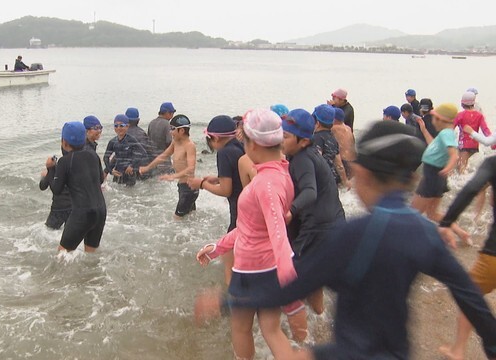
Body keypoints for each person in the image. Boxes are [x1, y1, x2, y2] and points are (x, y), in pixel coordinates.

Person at [198, 120, 496, 360]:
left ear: (362, 172)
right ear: (409, 178)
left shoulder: (351, 235)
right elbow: (469, 295)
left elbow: (293, 287)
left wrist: (225, 303)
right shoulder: (423, 233)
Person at [196, 108, 300, 360]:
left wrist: (294, 302)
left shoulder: (264, 184)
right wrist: (218, 247)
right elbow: (255, 226)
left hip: (252, 269)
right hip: (268, 266)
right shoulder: (282, 173)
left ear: (252, 143)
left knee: (241, 330)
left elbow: (279, 236)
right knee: (272, 330)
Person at [281, 108, 346, 342]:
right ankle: (320, 319)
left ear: (303, 140)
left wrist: (290, 212)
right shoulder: (309, 153)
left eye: (286, 136)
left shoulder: (301, 159)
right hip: (334, 222)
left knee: (292, 275)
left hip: (317, 228)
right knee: (313, 275)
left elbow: (310, 191)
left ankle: (303, 339)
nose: (281, 139)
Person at [438, 154, 496, 360]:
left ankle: (458, 350)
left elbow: (472, 189)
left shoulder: (493, 163)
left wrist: (446, 222)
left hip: (493, 257)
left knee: (469, 296)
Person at [187, 115, 245, 285]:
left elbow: (227, 190)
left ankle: (232, 299)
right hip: (248, 208)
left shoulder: (224, 153)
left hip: (238, 211)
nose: (210, 143)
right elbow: (236, 176)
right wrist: (217, 178)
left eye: (210, 139)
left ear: (217, 138)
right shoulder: (239, 147)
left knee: (230, 257)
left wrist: (202, 184)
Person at [412, 103, 469, 244]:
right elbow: (433, 146)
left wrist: (448, 168)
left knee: (413, 213)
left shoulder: (446, 133)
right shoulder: (444, 134)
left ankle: (415, 240)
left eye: (435, 118)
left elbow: (454, 154)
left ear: (443, 120)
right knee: (432, 213)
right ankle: (462, 234)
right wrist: (424, 129)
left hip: (433, 175)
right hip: (434, 176)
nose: (432, 121)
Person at [49, 122, 106, 253]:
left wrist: (51, 169)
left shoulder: (64, 162)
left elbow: (56, 190)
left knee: (62, 256)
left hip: (82, 213)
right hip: (101, 211)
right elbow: (100, 179)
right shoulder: (93, 155)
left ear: (64, 142)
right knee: (90, 256)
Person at [140, 114, 198, 218]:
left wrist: (173, 176)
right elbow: (163, 156)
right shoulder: (175, 142)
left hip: (189, 189)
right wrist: (147, 168)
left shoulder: (190, 146)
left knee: (177, 219)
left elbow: (191, 168)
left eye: (172, 129)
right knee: (189, 218)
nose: (170, 132)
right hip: (182, 187)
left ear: (181, 131)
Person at [312, 104, 350, 190]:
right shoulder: (333, 139)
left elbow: (317, 162)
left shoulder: (316, 138)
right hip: (333, 179)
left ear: (317, 123)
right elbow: (339, 165)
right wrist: (345, 181)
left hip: (321, 181)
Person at [103, 114, 148, 187]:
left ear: (127, 126)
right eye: (116, 126)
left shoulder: (131, 140)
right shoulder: (112, 142)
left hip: (129, 174)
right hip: (118, 174)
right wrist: (110, 170)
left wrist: (132, 166)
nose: (118, 128)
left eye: (121, 125)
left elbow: (143, 153)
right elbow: (105, 157)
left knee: (130, 196)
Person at [454, 91, 493, 174]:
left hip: (463, 145)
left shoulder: (460, 115)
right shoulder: (479, 115)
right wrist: (492, 140)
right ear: (473, 103)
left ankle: (461, 185)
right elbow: (485, 130)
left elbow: (451, 128)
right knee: (469, 167)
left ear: (462, 103)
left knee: (461, 168)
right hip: (475, 145)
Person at [39, 151, 72, 230]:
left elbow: (42, 187)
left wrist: (44, 176)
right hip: (72, 206)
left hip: (58, 208)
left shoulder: (51, 172)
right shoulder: (70, 168)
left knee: (49, 230)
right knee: (70, 231)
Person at [147, 102, 176, 174]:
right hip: (164, 160)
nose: (172, 116)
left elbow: (147, 141)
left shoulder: (151, 123)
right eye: (172, 113)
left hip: (152, 160)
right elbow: (169, 142)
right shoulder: (167, 124)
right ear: (167, 113)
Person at [330, 107, 356, 180]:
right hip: (353, 163)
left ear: (334, 119)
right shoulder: (348, 128)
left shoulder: (333, 128)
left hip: (343, 162)